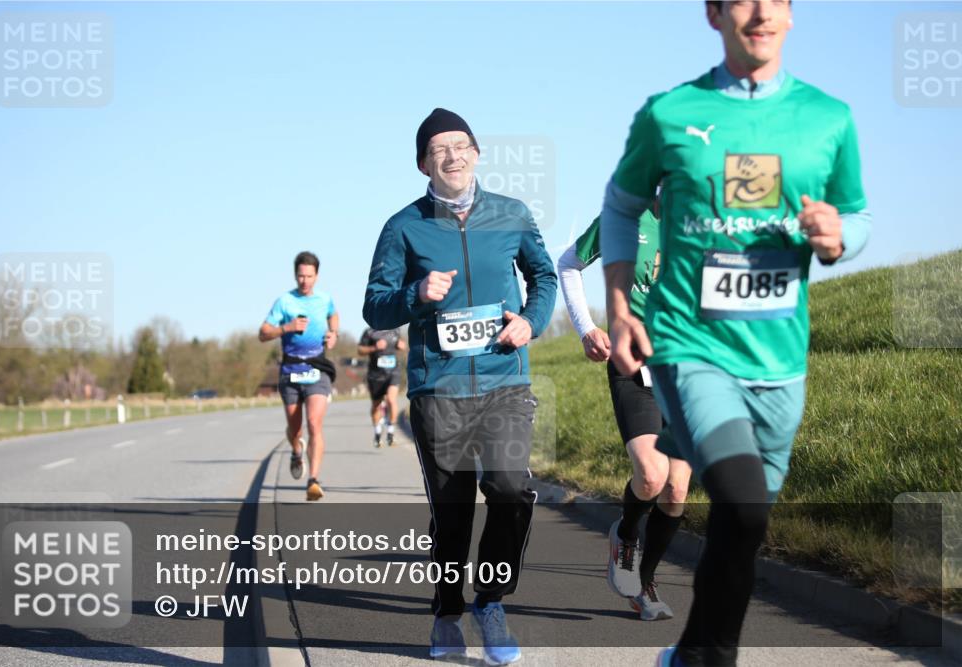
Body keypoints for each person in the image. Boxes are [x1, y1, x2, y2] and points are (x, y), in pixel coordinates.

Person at [600, 2, 872, 665]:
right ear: (714, 14)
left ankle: (691, 654)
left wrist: (839, 237)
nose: (758, 12)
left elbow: (857, 215)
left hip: (780, 359)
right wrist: (618, 307)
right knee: (743, 506)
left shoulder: (828, 118)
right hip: (692, 346)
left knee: (743, 527)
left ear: (789, 15)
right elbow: (620, 202)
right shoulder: (668, 113)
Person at [363, 108, 557, 665]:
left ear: (477, 152)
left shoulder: (512, 214)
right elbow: (375, 306)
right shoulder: (403, 226)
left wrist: (532, 321)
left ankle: (490, 602)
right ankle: (448, 611)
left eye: (461, 145)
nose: (451, 155)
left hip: (504, 380)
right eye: (438, 149)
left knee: (510, 489)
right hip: (439, 388)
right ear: (423, 162)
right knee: (452, 510)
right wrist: (415, 294)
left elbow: (542, 276)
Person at [557, 208, 691, 621]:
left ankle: (645, 586)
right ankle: (626, 536)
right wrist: (585, 328)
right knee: (651, 474)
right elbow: (568, 263)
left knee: (676, 491)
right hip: (634, 364)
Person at [259, 251, 340, 501]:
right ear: (295, 275)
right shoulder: (284, 302)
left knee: (314, 423)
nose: (305, 281)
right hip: (291, 370)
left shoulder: (324, 299)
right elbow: (263, 333)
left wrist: (334, 333)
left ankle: (313, 480)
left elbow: (333, 315)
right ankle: (296, 450)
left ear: (317, 275)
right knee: (295, 430)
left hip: (317, 367)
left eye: (309, 276)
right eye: (300, 276)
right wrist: (287, 328)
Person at [357, 327, 407, 447]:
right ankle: (377, 431)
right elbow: (360, 350)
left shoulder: (396, 330)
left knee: (391, 399)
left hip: (393, 371)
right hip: (376, 375)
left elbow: (402, 344)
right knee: (376, 405)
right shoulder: (369, 332)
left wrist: (402, 345)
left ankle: (390, 432)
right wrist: (374, 347)